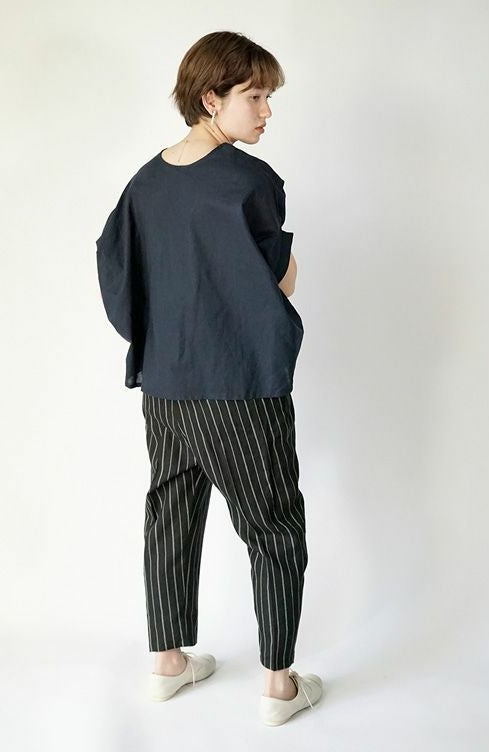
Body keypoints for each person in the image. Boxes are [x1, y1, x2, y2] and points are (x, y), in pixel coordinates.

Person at [95, 30, 322, 726]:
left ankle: (168, 662)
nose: (267, 111)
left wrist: (157, 340)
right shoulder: (251, 182)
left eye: (268, 96)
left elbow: (115, 273)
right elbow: (280, 280)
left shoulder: (144, 184)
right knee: (273, 525)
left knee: (170, 515)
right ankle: (279, 685)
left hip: (166, 386)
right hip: (240, 385)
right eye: (255, 96)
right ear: (211, 98)